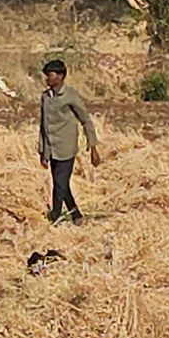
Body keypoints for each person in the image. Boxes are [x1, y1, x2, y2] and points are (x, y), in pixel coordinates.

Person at [39, 60, 101, 226]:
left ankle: (55, 216)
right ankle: (76, 215)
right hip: (52, 148)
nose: (47, 79)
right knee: (62, 184)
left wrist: (93, 146)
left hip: (66, 148)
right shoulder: (45, 97)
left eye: (50, 76)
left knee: (59, 184)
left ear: (60, 76)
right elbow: (43, 125)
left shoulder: (70, 96)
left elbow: (86, 120)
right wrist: (42, 151)